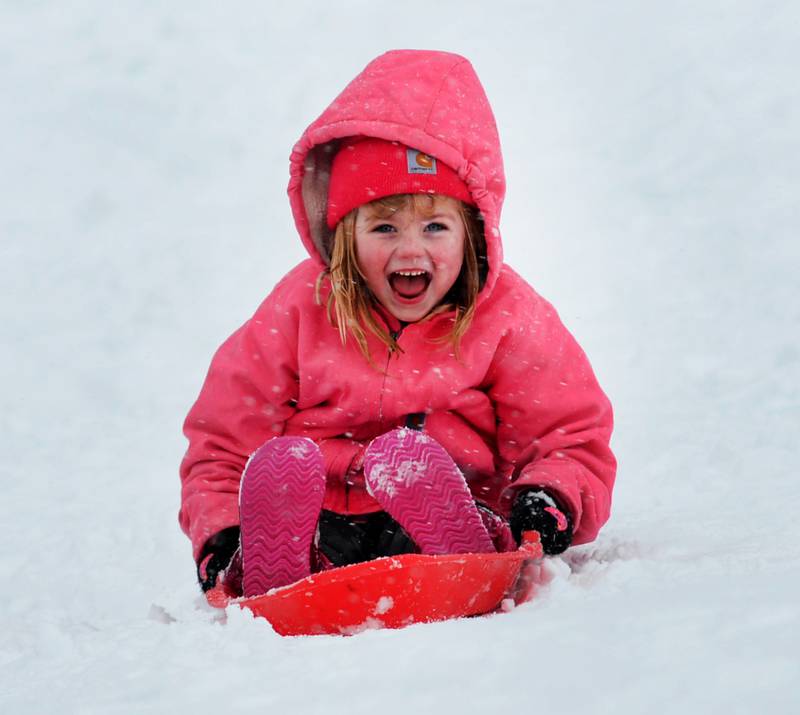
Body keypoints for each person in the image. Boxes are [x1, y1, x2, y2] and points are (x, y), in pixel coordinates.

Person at [179, 50, 616, 598]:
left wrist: (549, 495)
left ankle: (467, 551)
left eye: (435, 226)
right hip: (321, 514)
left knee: (437, 493)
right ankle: (277, 568)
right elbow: (224, 437)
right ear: (344, 238)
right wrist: (220, 529)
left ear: (472, 235)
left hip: (451, 500)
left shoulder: (506, 315)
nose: (412, 249)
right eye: (384, 228)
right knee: (285, 470)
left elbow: (568, 432)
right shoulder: (300, 308)